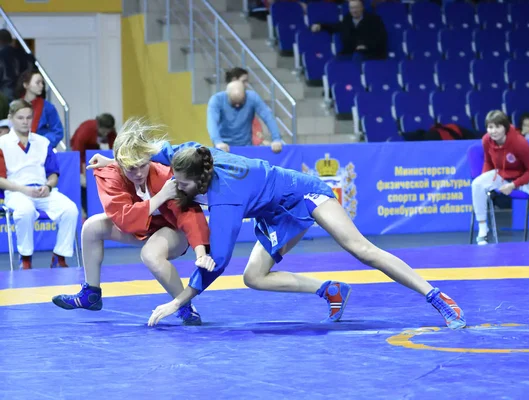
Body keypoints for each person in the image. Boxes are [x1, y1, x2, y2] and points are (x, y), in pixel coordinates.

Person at [93, 137, 466, 328]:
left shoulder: (226, 201)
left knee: (361, 249)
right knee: (255, 277)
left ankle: (436, 297)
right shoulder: (190, 157)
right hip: (273, 212)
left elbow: (217, 262)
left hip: (305, 193)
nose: (174, 186)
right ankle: (331, 290)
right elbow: (153, 154)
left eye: (181, 184)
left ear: (201, 181)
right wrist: (114, 161)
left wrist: (176, 302)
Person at [51, 118, 210, 325]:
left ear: (149, 158)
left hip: (172, 231)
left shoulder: (164, 175)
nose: (137, 173)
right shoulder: (112, 175)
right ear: (119, 163)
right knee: (91, 227)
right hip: (140, 226)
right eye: (130, 168)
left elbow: (188, 215)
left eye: (142, 166)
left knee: (150, 255)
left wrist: (200, 251)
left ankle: (184, 305)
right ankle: (91, 294)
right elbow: (124, 219)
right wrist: (159, 197)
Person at [0, 99, 78, 269]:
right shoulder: (2, 143)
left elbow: (53, 174)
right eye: (20, 118)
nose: (25, 121)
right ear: (10, 118)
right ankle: (26, 258)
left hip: (43, 190)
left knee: (70, 209)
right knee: (25, 211)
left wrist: (48, 186)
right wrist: (24, 189)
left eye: (28, 117)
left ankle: (60, 256)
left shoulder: (43, 142)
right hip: (16, 191)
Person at [471, 110, 529, 245]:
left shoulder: (519, 143)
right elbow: (488, 162)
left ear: (505, 127)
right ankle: (482, 229)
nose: (493, 131)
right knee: (477, 184)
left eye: (497, 127)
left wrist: (513, 185)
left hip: (524, 177)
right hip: (502, 175)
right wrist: (486, 180)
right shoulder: (486, 140)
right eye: (490, 127)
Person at [207, 80, 283, 153]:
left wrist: (276, 139)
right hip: (223, 146)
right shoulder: (216, 100)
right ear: (227, 94)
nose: (237, 105)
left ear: (245, 94)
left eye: (240, 102)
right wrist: (217, 141)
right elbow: (212, 122)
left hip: (246, 147)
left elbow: (268, 116)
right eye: (234, 102)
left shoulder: (252, 97)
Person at [16, 70, 64, 149]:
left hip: (41, 150)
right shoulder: (15, 105)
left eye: (42, 83)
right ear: (26, 85)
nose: (41, 86)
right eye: (38, 83)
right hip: (18, 150)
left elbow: (57, 131)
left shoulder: (48, 107)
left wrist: (42, 142)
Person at [225, 67, 270, 147]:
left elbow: (254, 123)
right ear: (234, 80)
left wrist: (259, 137)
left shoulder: (250, 99)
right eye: (244, 81)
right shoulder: (220, 103)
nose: (246, 85)